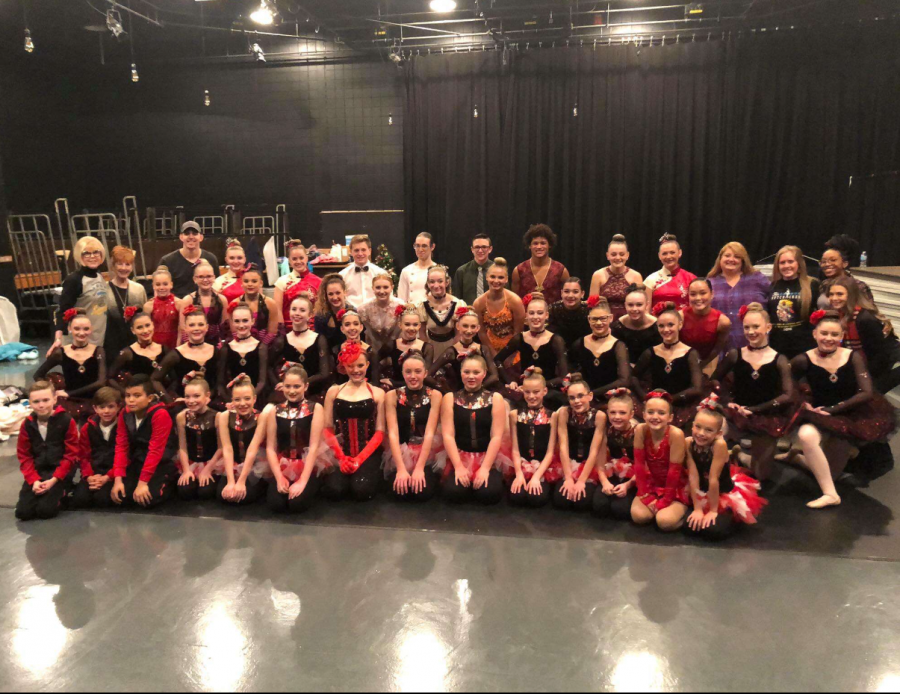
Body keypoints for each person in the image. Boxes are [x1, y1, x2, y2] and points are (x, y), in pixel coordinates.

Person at [790, 310, 896, 508]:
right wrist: (803, 403)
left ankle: (796, 459)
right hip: (818, 415)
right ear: (815, 334)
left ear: (841, 337)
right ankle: (830, 495)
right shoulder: (803, 359)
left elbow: (866, 392)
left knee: (828, 474)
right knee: (806, 435)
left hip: (848, 415)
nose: (828, 338)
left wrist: (833, 409)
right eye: (824, 333)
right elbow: (787, 386)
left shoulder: (852, 357)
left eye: (834, 335)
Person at [713, 303, 793, 482]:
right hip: (736, 413)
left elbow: (788, 395)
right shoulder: (735, 354)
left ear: (768, 327)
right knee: (714, 432)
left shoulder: (779, 359)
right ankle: (721, 459)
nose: (751, 332)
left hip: (765, 416)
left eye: (756, 326)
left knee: (761, 475)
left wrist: (756, 409)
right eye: (746, 327)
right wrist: (727, 402)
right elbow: (714, 380)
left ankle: (741, 456)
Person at [685, 399, 766, 540]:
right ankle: (735, 454)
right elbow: (693, 475)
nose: (701, 433)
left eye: (708, 430)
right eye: (698, 427)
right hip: (701, 488)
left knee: (714, 531)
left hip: (721, 491)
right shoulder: (688, 443)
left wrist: (713, 511)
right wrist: (698, 508)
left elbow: (713, 478)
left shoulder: (719, 445)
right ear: (692, 426)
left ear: (718, 433)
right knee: (690, 525)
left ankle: (732, 518)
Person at [320, 343, 386, 501]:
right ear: (344, 366)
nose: (356, 370)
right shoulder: (334, 391)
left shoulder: (378, 393)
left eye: (360, 365)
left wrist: (359, 460)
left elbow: (380, 432)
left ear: (368, 365)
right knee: (335, 490)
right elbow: (327, 428)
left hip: (368, 453)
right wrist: (342, 458)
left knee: (361, 490)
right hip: (340, 452)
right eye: (351, 366)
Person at [440, 354, 508, 504]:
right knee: (453, 493)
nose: (471, 376)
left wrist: (484, 468)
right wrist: (458, 466)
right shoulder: (450, 398)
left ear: (484, 374)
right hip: (460, 455)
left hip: (487, 456)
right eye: (467, 372)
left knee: (489, 494)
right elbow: (448, 435)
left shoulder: (495, 398)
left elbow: (496, 436)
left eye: (476, 373)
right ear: (461, 373)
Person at [109, 374, 178, 508]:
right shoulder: (125, 413)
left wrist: (142, 483)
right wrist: (118, 480)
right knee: (122, 497)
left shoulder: (160, 414)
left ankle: (169, 482)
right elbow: (121, 446)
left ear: (150, 398)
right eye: (128, 395)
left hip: (160, 463)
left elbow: (155, 451)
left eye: (137, 395)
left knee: (148, 500)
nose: (131, 400)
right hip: (138, 460)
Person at [266, 366, 328, 514]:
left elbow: (314, 447)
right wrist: (279, 477)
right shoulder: (275, 410)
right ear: (282, 386)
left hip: (307, 465)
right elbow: (270, 448)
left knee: (296, 504)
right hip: (283, 464)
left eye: (296, 386)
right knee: (276, 504)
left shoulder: (315, 408)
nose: (292, 391)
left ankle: (311, 486)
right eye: (287, 386)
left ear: (305, 386)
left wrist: (302, 481)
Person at [383, 350, 443, 501]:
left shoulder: (434, 395)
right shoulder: (392, 396)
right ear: (402, 373)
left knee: (422, 492)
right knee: (398, 492)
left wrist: (419, 468)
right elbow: (393, 433)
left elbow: (430, 432)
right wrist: (401, 469)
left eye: (417, 371)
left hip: (426, 450)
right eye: (408, 372)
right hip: (401, 449)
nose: (413, 376)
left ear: (425, 373)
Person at [15, 380, 79, 521]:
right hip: (38, 471)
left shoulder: (66, 421)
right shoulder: (27, 424)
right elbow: (24, 455)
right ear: (30, 403)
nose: (41, 405)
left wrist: (55, 479)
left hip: (60, 471)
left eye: (46, 400)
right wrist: (34, 480)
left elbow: (71, 454)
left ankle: (65, 489)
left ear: (55, 399)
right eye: (36, 401)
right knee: (23, 513)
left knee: (45, 511)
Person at [632, 302, 703, 428]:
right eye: (661, 326)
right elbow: (633, 377)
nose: (666, 330)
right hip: (655, 407)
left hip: (680, 407)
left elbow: (696, 388)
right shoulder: (651, 352)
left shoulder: (691, 354)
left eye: (670, 325)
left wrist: (669, 399)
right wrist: (646, 397)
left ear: (680, 325)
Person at [494, 293, 569, 410]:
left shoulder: (556, 340)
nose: (535, 317)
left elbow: (563, 376)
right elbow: (498, 360)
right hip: (525, 390)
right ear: (526, 316)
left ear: (546, 315)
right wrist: (510, 382)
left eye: (540, 313)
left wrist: (539, 387)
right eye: (532, 313)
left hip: (548, 391)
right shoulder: (519, 338)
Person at [828, 276, 900, 394]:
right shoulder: (842, 315)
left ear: (851, 295)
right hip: (870, 364)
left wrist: (862, 377)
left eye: (840, 294)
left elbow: (880, 356)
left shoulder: (864, 319)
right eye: (831, 294)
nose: (834, 298)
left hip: (888, 364)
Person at [35, 309, 107, 422]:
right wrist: (51, 392)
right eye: (77, 329)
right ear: (69, 329)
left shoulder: (98, 351)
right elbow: (38, 375)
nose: (81, 333)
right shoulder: (61, 352)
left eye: (86, 329)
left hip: (93, 398)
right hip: (69, 400)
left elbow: (101, 382)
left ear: (91, 330)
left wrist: (69, 393)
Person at [630, 391, 689, 531]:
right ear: (643, 415)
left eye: (661, 413)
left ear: (670, 417)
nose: (655, 417)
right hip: (653, 482)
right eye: (650, 412)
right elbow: (638, 465)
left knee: (664, 522)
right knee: (638, 516)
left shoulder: (676, 434)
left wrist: (665, 501)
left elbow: (674, 472)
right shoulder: (640, 430)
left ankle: (686, 515)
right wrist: (645, 495)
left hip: (675, 486)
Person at [507, 368, 561, 508]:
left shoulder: (553, 416)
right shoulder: (514, 414)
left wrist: (537, 477)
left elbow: (550, 452)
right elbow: (515, 449)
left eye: (536, 392)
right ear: (522, 391)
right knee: (517, 497)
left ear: (544, 391)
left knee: (536, 498)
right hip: (522, 463)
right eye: (527, 392)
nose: (531, 396)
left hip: (544, 465)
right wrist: (519, 474)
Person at [553, 374, 607, 512]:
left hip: (589, 465)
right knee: (561, 500)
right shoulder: (564, 413)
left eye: (580, 396)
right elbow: (563, 446)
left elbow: (594, 451)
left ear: (590, 396)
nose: (576, 401)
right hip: (568, 463)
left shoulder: (599, 416)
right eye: (572, 398)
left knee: (581, 502)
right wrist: (568, 478)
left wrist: (582, 481)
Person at [49, 236, 109, 356]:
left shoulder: (99, 275)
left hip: (97, 338)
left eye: (96, 252)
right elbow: (62, 310)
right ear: (79, 256)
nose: (92, 256)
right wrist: (58, 339)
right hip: (77, 341)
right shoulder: (74, 280)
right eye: (87, 253)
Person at [217, 374, 271, 506]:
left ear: (254, 399)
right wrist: (231, 481)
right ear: (232, 400)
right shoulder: (224, 416)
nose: (242, 404)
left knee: (245, 497)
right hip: (234, 463)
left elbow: (253, 448)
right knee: (223, 496)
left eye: (247, 399)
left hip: (255, 464)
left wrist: (241, 481)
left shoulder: (261, 417)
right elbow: (227, 449)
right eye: (237, 399)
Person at [566, 296, 631, 403]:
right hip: (582, 400)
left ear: (610, 318)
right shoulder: (579, 343)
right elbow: (569, 370)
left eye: (603, 318)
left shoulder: (619, 346)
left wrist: (592, 393)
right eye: (595, 319)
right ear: (588, 319)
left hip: (610, 399)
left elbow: (625, 380)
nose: (599, 323)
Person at [708, 242, 771, 351]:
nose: (731, 259)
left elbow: (775, 303)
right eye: (727, 256)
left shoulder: (757, 279)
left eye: (737, 256)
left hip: (754, 345)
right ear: (720, 259)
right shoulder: (710, 283)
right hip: (720, 347)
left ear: (743, 260)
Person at [152, 308, 219, 407]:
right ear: (185, 328)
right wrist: (169, 400)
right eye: (192, 325)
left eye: (200, 324)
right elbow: (155, 379)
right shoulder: (175, 354)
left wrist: (210, 397)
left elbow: (220, 381)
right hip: (185, 406)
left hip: (210, 404)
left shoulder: (216, 352)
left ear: (207, 327)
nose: (196, 328)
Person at [269, 296, 332, 401]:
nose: (297, 313)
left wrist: (300, 384)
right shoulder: (282, 341)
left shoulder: (319, 339)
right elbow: (269, 367)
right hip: (290, 394)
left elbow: (324, 373)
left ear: (310, 315)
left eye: (302, 310)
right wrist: (280, 384)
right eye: (294, 309)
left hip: (314, 394)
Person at [70, 387, 122, 509]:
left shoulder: (123, 427)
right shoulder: (87, 429)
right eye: (102, 407)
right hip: (94, 472)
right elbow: (83, 456)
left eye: (111, 406)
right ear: (95, 408)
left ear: (118, 407)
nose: (106, 411)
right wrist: (89, 476)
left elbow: (126, 456)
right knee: (80, 500)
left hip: (113, 473)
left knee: (102, 500)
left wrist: (108, 477)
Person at [428, 306, 500, 392]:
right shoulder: (451, 352)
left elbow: (494, 376)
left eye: (473, 327)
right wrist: (448, 392)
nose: (469, 331)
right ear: (458, 326)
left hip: (481, 392)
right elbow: (427, 376)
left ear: (478, 328)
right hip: (459, 395)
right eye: (465, 326)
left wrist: (478, 388)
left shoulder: (483, 349)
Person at [592, 388, 638, 520]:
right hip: (612, 472)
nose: (617, 417)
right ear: (607, 413)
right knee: (599, 506)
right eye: (613, 412)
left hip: (635, 478)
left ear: (631, 414)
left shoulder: (639, 432)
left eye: (622, 413)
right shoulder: (606, 431)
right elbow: (600, 462)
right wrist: (605, 482)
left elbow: (644, 466)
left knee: (620, 510)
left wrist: (628, 485)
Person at [767, 245, 820, 358]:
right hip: (777, 345)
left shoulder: (812, 284)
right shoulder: (771, 286)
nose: (786, 266)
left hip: (804, 346)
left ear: (798, 263)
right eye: (782, 262)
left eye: (790, 261)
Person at [175, 378, 222, 501]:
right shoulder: (182, 417)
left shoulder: (217, 417)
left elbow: (221, 448)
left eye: (196, 396)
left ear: (207, 396)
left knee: (205, 492)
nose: (191, 401)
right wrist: (186, 470)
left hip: (212, 463)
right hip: (191, 462)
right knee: (185, 491)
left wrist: (207, 469)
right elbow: (182, 447)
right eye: (187, 397)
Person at [473, 258, 526, 359]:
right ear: (487, 277)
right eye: (493, 276)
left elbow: (518, 332)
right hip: (489, 348)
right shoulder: (479, 303)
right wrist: (493, 354)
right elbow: (481, 332)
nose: (496, 281)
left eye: (500, 277)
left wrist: (508, 355)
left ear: (506, 279)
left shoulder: (515, 301)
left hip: (512, 350)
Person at [104, 246, 148, 364]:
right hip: (111, 345)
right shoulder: (104, 290)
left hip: (136, 344)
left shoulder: (139, 289)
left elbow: (144, 317)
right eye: (120, 264)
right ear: (113, 266)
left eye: (127, 264)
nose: (124, 268)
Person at [218, 303, 269, 402]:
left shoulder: (261, 348)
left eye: (245, 321)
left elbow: (262, 381)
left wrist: (249, 399)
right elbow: (220, 382)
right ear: (232, 322)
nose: (241, 325)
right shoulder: (226, 348)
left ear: (252, 321)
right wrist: (232, 400)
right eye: (237, 321)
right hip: (232, 400)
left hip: (255, 400)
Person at [376, 304, 434, 391]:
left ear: (419, 326)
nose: (411, 328)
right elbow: (373, 361)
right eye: (407, 324)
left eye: (415, 325)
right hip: (395, 390)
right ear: (400, 325)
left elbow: (426, 377)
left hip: (418, 389)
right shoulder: (391, 345)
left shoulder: (427, 348)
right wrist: (379, 379)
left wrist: (395, 383)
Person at [416, 265, 467, 362]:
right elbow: (422, 333)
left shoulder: (457, 304)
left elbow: (458, 334)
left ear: (447, 282)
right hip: (431, 347)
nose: (436, 285)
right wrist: (427, 353)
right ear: (428, 283)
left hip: (452, 346)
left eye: (440, 281)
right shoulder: (422, 305)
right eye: (432, 282)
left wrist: (452, 352)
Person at [108, 310, 168, 390]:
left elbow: (174, 378)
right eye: (139, 327)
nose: (145, 331)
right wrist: (126, 393)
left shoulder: (164, 349)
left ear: (153, 325)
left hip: (163, 398)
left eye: (147, 325)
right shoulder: (127, 353)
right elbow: (110, 378)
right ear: (133, 330)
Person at [680, 278, 731, 374]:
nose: (698, 298)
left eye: (703, 293)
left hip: (707, 364)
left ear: (712, 294)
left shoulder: (723, 322)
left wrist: (701, 365)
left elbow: (717, 348)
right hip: (681, 364)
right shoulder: (680, 317)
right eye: (693, 294)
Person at [159, 221, 220, 299]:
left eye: (194, 233)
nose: (191, 237)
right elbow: (159, 288)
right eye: (187, 233)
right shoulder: (167, 261)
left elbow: (216, 285)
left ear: (201, 237)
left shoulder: (211, 259)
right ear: (181, 237)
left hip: (204, 305)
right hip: (176, 306)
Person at [511, 224, 569, 305]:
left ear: (549, 245)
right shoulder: (519, 271)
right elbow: (514, 302)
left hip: (554, 317)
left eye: (543, 243)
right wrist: (527, 299)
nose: (539, 247)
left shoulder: (561, 271)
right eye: (535, 243)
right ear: (529, 246)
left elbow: (567, 300)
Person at [589, 235, 643, 320]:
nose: (618, 258)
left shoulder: (636, 276)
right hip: (604, 322)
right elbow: (592, 306)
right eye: (613, 254)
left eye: (622, 254)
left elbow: (640, 305)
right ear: (607, 256)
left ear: (627, 255)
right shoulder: (598, 275)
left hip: (629, 321)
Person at [273, 241, 322, 331]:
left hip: (312, 329)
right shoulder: (281, 282)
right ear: (289, 261)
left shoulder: (319, 282)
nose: (298, 261)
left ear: (307, 258)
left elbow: (320, 310)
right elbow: (277, 310)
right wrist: (281, 331)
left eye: (301, 258)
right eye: (294, 259)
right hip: (289, 329)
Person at [818, 234, 874, 309]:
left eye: (833, 260)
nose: (827, 264)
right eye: (823, 261)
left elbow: (869, 312)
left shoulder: (858, 286)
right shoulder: (824, 284)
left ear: (845, 263)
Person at [611, 283, 661, 364]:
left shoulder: (657, 327)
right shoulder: (617, 327)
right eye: (630, 305)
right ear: (625, 305)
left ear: (647, 305)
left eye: (639, 305)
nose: (634, 309)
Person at [181, 260, 228, 346]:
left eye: (209, 276)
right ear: (194, 279)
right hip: (193, 343)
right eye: (201, 277)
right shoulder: (188, 300)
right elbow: (183, 329)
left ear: (214, 278)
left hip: (215, 345)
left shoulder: (222, 300)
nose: (205, 280)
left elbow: (225, 327)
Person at [645, 234, 696, 310]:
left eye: (672, 252)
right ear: (659, 256)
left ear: (679, 253)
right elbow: (646, 312)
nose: (668, 257)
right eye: (664, 253)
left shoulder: (691, 278)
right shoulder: (650, 280)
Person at [357, 273, 405, 355]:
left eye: (385, 287)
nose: (382, 291)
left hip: (396, 348)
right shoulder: (364, 308)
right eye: (378, 287)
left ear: (392, 288)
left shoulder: (400, 305)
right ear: (373, 288)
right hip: (373, 349)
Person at [339, 234, 387, 307]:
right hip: (351, 314)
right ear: (351, 252)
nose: (360, 253)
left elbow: (388, 298)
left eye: (363, 250)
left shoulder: (381, 273)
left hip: (375, 314)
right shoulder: (342, 275)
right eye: (356, 250)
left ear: (369, 251)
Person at [143, 266, 184, 350]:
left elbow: (181, 329)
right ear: (153, 286)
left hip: (175, 344)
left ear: (171, 284)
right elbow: (146, 330)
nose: (161, 287)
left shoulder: (179, 303)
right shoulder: (148, 306)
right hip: (155, 345)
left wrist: (178, 347)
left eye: (165, 284)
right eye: (158, 284)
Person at [239, 264, 280, 345]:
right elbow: (234, 331)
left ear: (261, 283)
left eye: (254, 281)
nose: (250, 284)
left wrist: (261, 347)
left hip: (265, 345)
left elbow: (272, 332)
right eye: (246, 281)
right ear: (241, 283)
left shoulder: (270, 304)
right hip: (241, 344)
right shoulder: (235, 303)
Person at [332, 308, 375, 385]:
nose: (352, 328)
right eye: (347, 324)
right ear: (342, 329)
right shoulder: (336, 350)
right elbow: (335, 378)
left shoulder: (370, 351)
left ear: (361, 327)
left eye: (355, 324)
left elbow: (375, 380)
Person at [313, 274, 354, 351]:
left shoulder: (353, 312)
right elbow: (320, 345)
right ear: (326, 295)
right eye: (331, 294)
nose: (335, 297)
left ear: (345, 292)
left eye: (338, 293)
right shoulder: (321, 317)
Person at [453, 233, 495, 306]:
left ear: (490, 249)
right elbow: (457, 299)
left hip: (493, 313)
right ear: (472, 249)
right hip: (468, 314)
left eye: (484, 247)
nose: (480, 250)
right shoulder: (461, 271)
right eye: (477, 247)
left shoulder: (498, 270)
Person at [548, 277, 591, 348]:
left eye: (575, 292)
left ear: (582, 294)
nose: (570, 295)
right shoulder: (553, 309)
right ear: (561, 293)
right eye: (566, 291)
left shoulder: (589, 310)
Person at [398, 233, 437, 304]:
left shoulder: (438, 270)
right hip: (411, 312)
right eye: (417, 246)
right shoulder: (406, 271)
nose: (420, 249)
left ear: (432, 247)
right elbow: (401, 300)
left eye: (424, 246)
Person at [212, 239, 249, 303]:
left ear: (245, 259)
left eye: (239, 258)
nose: (236, 261)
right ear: (226, 260)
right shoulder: (218, 282)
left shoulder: (252, 279)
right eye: (232, 258)